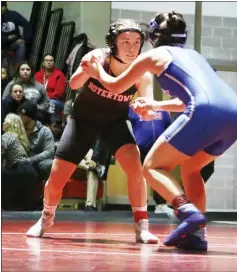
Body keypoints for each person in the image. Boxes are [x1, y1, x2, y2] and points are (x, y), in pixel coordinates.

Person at [83, 11, 237, 250]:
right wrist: (156, 105)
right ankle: (197, 236)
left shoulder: (156, 55)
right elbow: (188, 100)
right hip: (234, 115)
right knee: (192, 168)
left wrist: (98, 72)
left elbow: (117, 86)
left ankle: (188, 213)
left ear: (153, 37)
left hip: (205, 111)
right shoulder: (195, 56)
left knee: (151, 166)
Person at [26, 19, 159, 244]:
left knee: (136, 168)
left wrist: (146, 111)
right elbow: (75, 84)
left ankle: (142, 226)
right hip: (83, 120)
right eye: (125, 42)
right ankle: (46, 217)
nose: (132, 47)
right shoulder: (98, 57)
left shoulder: (142, 70)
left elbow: (147, 105)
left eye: (137, 42)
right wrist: (89, 70)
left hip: (115, 121)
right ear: (113, 44)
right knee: (57, 175)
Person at [129, 106, 174, 214]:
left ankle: (161, 205)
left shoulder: (163, 111)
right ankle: (140, 206)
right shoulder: (132, 110)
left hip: (158, 149)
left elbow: (170, 128)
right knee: (139, 176)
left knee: (158, 175)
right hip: (140, 148)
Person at [2, 113, 38, 210]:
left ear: (10, 124)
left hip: (21, 170)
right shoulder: (21, 138)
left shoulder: (8, 136)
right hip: (30, 172)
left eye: (5, 121)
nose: (2, 123)